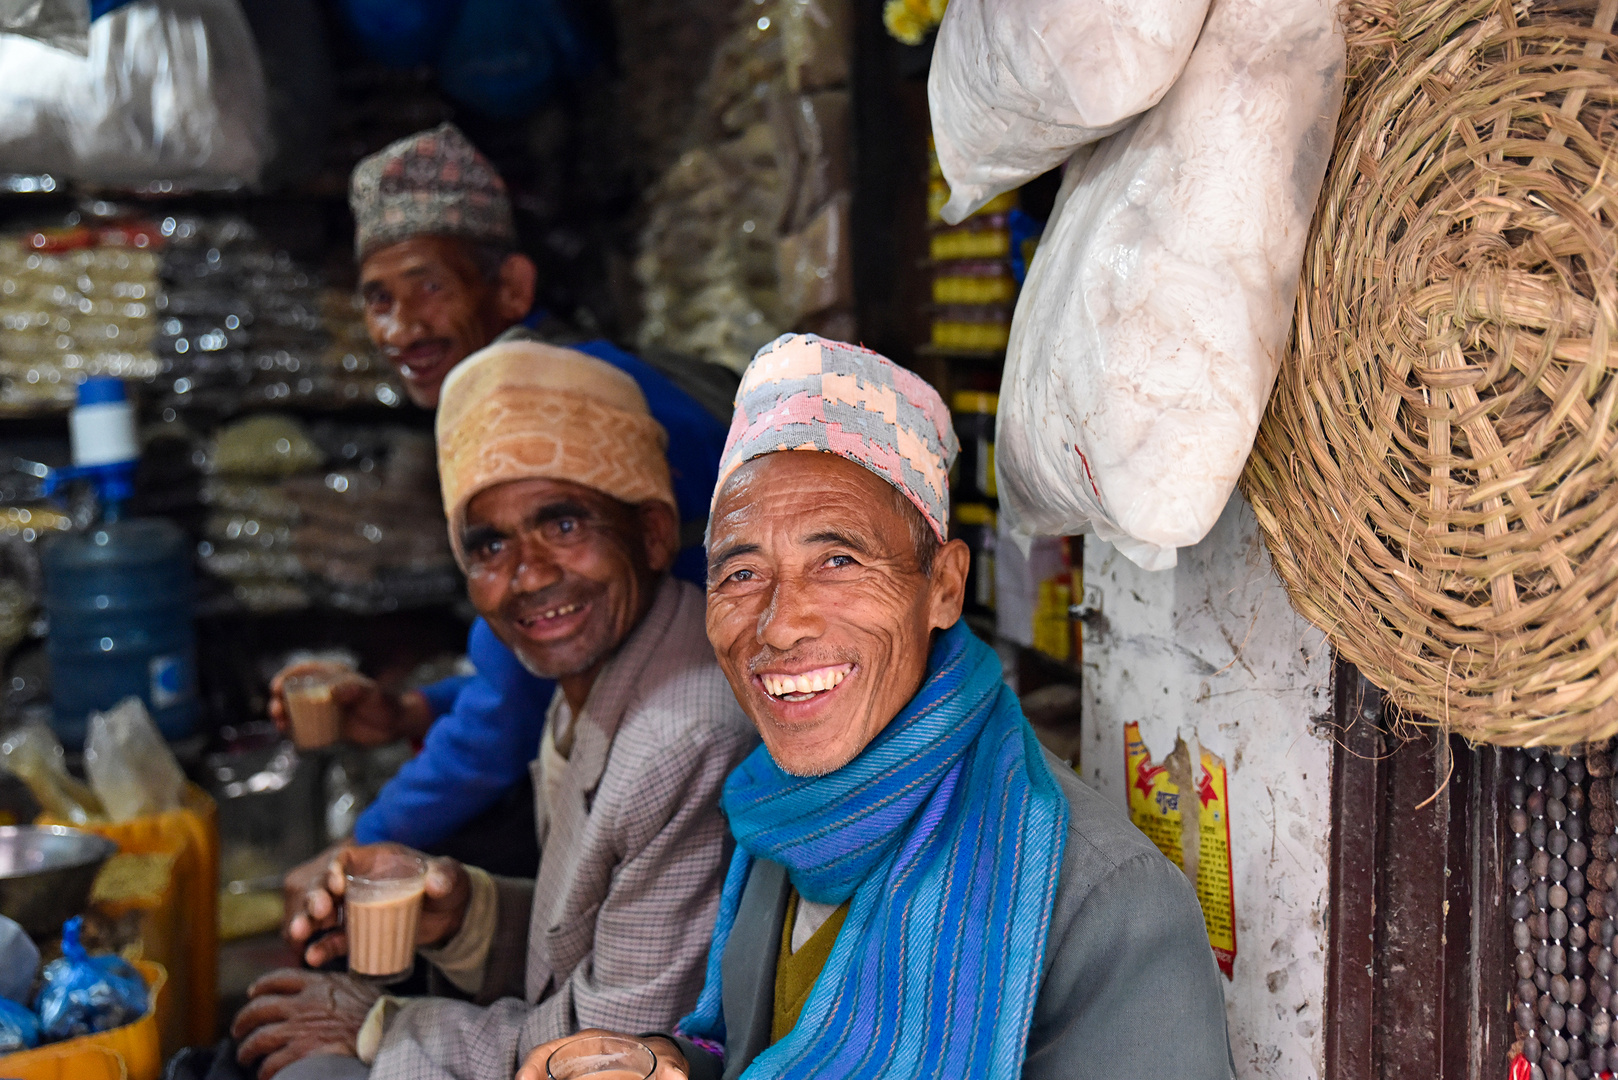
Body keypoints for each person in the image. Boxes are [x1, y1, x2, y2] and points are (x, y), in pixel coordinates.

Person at [515, 334, 1236, 1080]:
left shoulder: (1104, 902)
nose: (779, 622)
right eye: (740, 572)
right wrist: (668, 1064)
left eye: (838, 561)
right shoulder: (785, 818)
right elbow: (754, 1048)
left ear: (945, 588)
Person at [233, 342, 757, 1080]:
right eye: (490, 545)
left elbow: (609, 1052)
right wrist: (466, 916)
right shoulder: (592, 676)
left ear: (651, 533)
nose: (528, 575)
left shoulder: (684, 737)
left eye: (565, 525)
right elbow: (580, 950)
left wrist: (381, 1025)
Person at [267, 123, 730, 874]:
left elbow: (502, 728)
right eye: (377, 299)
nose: (400, 327)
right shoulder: (568, 371)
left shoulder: (538, 422)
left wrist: (355, 852)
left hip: (703, 754)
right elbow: (527, 669)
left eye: (429, 287)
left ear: (511, 287)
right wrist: (414, 712)